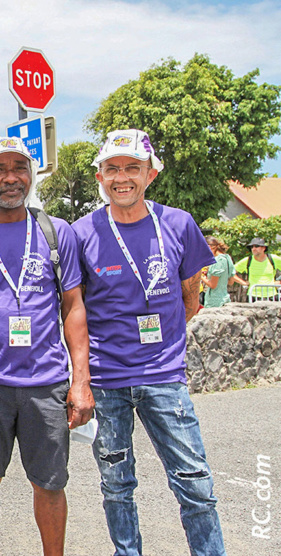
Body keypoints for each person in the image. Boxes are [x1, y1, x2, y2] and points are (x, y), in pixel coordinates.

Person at [72, 129, 226, 555]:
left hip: (164, 376)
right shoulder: (80, 233)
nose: (122, 178)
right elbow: (74, 310)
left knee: (195, 483)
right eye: (112, 169)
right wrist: (80, 380)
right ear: (99, 176)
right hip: (105, 381)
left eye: (132, 168)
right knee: (117, 486)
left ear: (150, 174)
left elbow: (190, 296)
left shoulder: (178, 224)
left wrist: (163, 341)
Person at [0, 136, 93, 556]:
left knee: (49, 485)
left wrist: (81, 381)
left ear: (31, 176)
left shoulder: (55, 232)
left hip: (46, 385)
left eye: (19, 168)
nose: (11, 178)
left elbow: (73, 307)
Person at [201, 237, 244, 307]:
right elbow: (231, 281)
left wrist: (201, 276)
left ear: (209, 247)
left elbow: (213, 285)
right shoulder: (227, 258)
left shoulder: (217, 261)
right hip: (225, 298)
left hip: (214, 301)